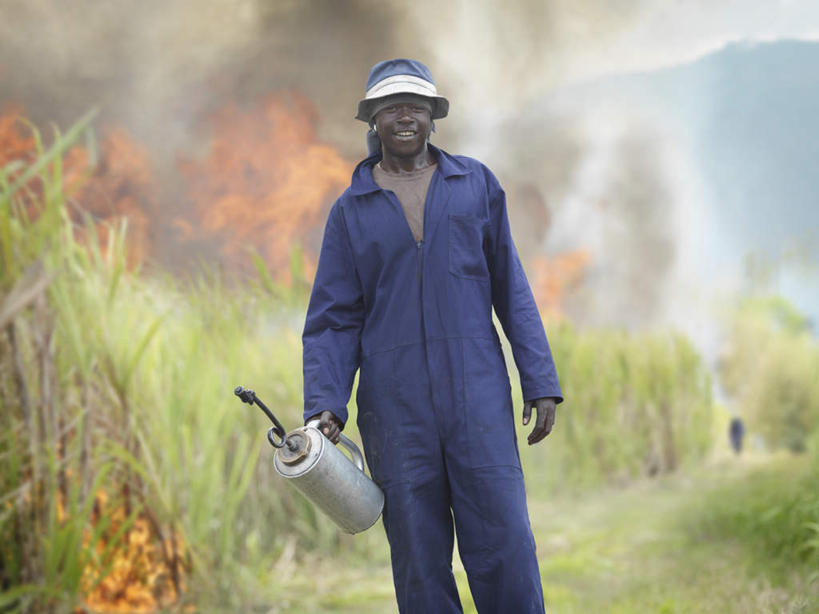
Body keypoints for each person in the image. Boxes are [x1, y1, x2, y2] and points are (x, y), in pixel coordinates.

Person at [302, 58, 563, 614]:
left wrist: (539, 379)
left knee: (505, 545)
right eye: (390, 108)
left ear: (433, 118)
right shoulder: (350, 212)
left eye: (415, 107)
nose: (404, 117)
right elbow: (333, 319)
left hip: (478, 399)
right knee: (419, 561)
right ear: (371, 120)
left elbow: (510, 288)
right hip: (394, 411)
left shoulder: (475, 186)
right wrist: (325, 404)